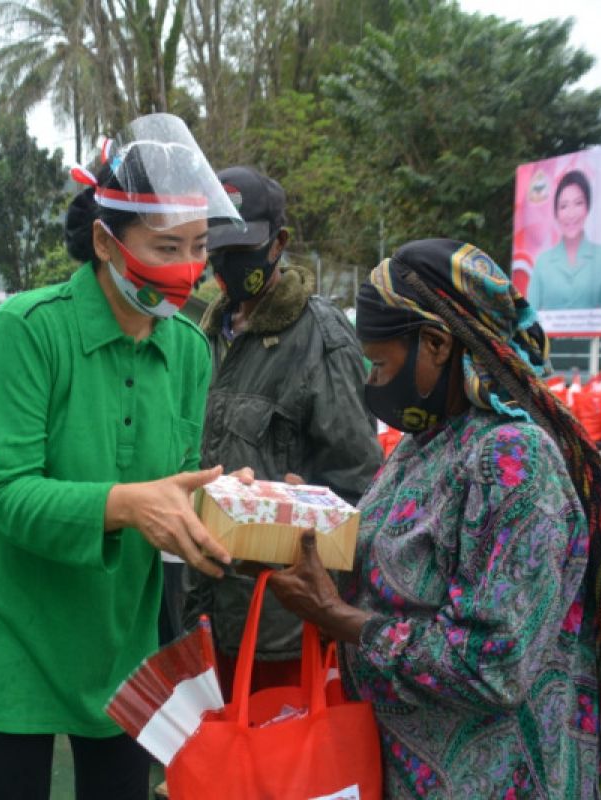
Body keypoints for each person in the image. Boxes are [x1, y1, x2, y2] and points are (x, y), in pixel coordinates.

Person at [265, 239, 601, 798]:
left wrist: (337, 617)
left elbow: (493, 665)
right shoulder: (424, 442)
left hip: (498, 778)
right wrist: (290, 527)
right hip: (403, 767)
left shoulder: (514, 463)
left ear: (435, 343)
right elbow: (386, 562)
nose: (372, 383)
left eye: (380, 364)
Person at [0, 113, 238, 800]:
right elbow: (3, 493)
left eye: (198, 246)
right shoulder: (28, 330)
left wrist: (225, 504)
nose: (187, 269)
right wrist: (129, 505)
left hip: (118, 634)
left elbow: (170, 484)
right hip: (12, 628)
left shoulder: (188, 349)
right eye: (165, 247)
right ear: (105, 240)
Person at [184, 166, 381, 696]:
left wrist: (302, 505)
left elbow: (359, 488)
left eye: (243, 246)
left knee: (277, 770)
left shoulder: (322, 338)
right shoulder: (201, 337)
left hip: (280, 628)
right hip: (203, 613)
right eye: (217, 246)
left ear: (279, 244)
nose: (228, 262)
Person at [527, 169, 601, 310]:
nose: (571, 214)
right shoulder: (542, 262)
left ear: (587, 207)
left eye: (578, 203)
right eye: (563, 206)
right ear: (556, 213)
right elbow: (529, 317)